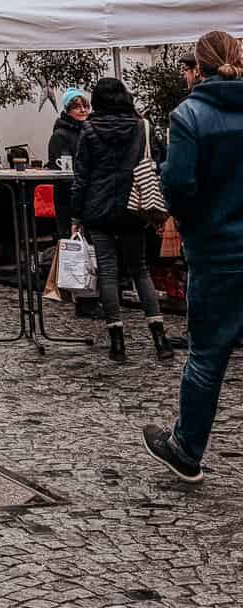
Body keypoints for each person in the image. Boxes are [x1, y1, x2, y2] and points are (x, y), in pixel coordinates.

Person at [144, 29, 243, 483]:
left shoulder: (190, 116)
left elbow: (178, 185)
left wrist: (188, 225)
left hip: (217, 250)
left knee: (207, 355)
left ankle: (187, 449)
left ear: (197, 68)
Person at [72, 76, 174, 365]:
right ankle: (159, 337)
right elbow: (155, 162)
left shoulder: (89, 130)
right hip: (134, 206)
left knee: (107, 272)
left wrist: (76, 215)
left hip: (98, 208)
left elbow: (82, 177)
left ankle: (117, 340)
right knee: (140, 270)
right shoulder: (142, 127)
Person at [47, 87, 90, 240]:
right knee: (70, 241)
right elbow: (60, 170)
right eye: (77, 106)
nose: (83, 110)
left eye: (85, 106)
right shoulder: (60, 135)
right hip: (68, 197)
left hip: (87, 195)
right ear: (67, 110)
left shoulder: (88, 131)